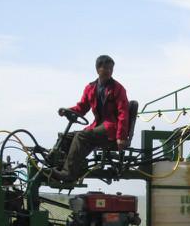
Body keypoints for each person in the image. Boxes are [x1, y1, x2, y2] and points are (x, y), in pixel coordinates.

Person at [50, 55, 130, 184]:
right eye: (106, 68)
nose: (109, 71)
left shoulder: (118, 89)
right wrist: (67, 110)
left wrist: (121, 137)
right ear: (98, 69)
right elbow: (82, 107)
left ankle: (68, 173)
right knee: (65, 137)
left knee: (81, 136)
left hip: (111, 128)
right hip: (97, 126)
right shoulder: (90, 88)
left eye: (111, 68)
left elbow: (123, 114)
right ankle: (58, 165)